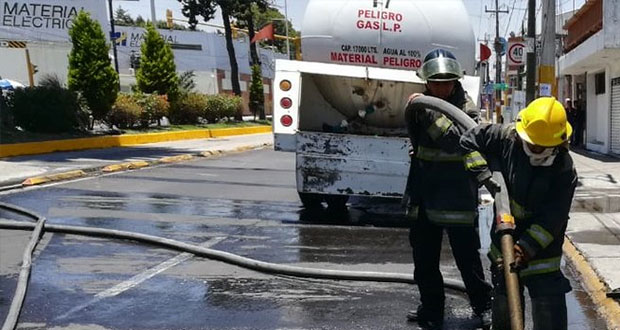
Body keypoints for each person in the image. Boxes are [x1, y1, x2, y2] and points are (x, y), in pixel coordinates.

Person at [459, 97, 577, 330]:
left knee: (549, 315)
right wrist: (483, 173)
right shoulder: (505, 137)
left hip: (543, 253)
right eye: (532, 144)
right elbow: (467, 140)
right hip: (504, 244)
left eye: (542, 146)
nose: (535, 150)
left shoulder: (564, 169)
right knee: (504, 312)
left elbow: (554, 217)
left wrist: (525, 248)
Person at [404, 49, 492, 329]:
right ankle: (431, 309)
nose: (442, 87)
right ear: (426, 81)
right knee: (424, 261)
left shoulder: (466, 108)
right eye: (436, 82)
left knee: (468, 260)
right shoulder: (418, 108)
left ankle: (484, 306)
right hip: (424, 194)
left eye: (447, 82)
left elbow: (458, 140)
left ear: (456, 82)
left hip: (457, 197)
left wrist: (428, 109)